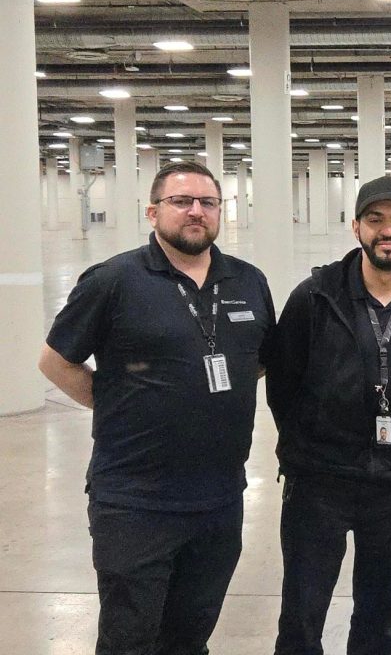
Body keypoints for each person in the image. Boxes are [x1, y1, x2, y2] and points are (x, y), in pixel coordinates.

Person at [37, 161, 275, 655]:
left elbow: (256, 360)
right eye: (181, 201)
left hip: (219, 499)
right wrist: (115, 406)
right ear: (153, 212)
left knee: (189, 637)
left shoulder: (248, 281)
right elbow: (56, 361)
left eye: (208, 202)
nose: (196, 211)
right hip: (136, 501)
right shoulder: (114, 280)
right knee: (129, 639)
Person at [264, 175, 391, 655]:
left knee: (378, 613)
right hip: (318, 482)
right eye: (375, 219)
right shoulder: (315, 296)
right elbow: (283, 384)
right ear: (356, 228)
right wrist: (307, 447)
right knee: (302, 612)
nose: (388, 230)